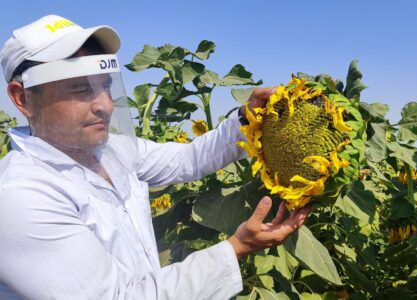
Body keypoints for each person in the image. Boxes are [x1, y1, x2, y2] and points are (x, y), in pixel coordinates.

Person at [0, 15, 310, 299]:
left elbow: (187, 159)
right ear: (22, 98)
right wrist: (237, 248)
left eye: (105, 87)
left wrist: (246, 118)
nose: (104, 105)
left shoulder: (109, 151)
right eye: (81, 89)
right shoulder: (20, 196)